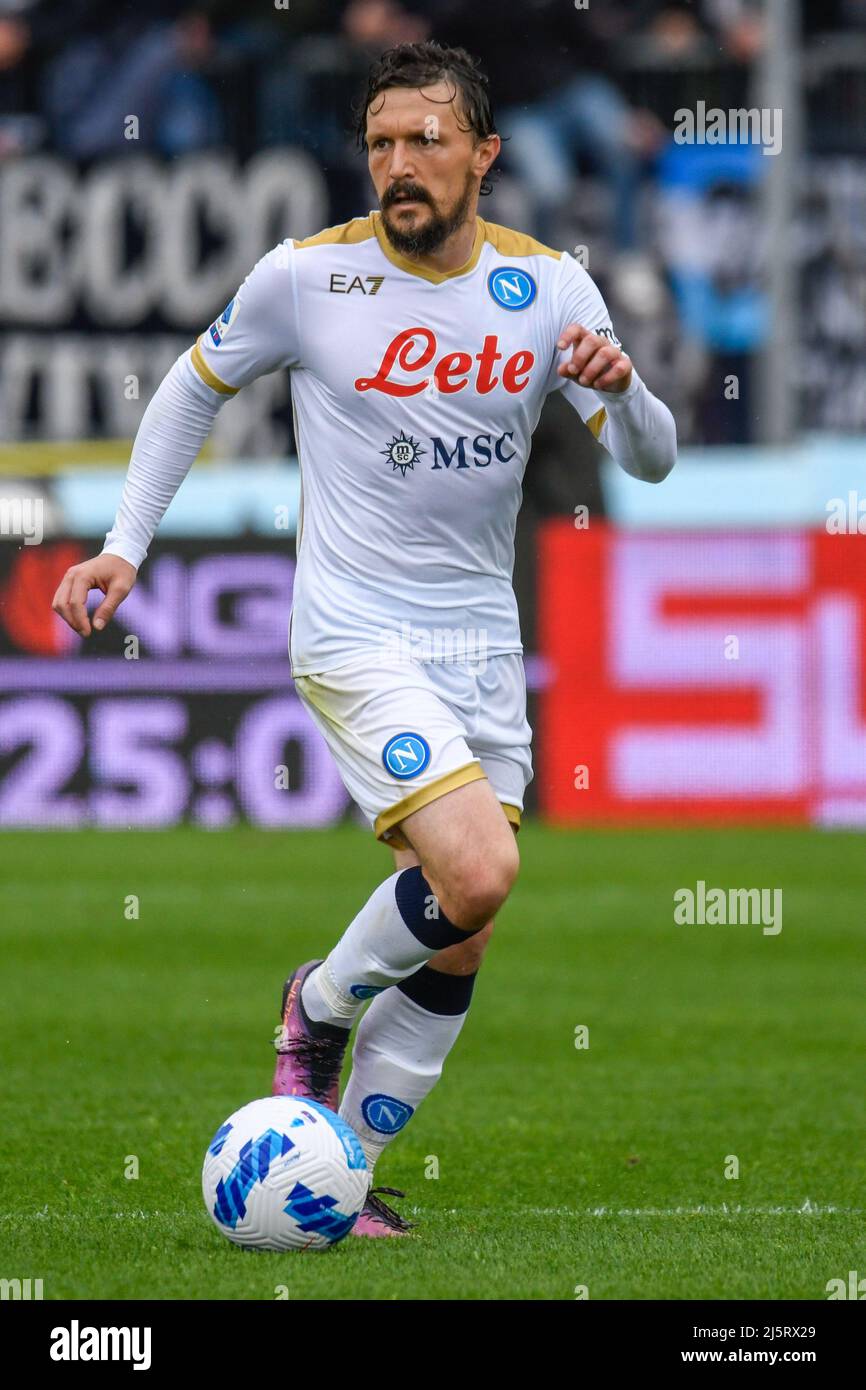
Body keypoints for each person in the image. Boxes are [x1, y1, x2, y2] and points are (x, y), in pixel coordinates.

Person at [52, 41, 676, 1237]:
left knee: (459, 925)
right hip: (354, 629)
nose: (397, 165)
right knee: (479, 871)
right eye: (380, 143)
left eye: (424, 141)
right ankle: (317, 1005)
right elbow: (190, 386)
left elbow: (645, 455)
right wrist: (126, 544)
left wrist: (626, 386)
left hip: (480, 640)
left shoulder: (549, 290)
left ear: (482, 156)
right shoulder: (307, 279)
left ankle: (348, 1166)